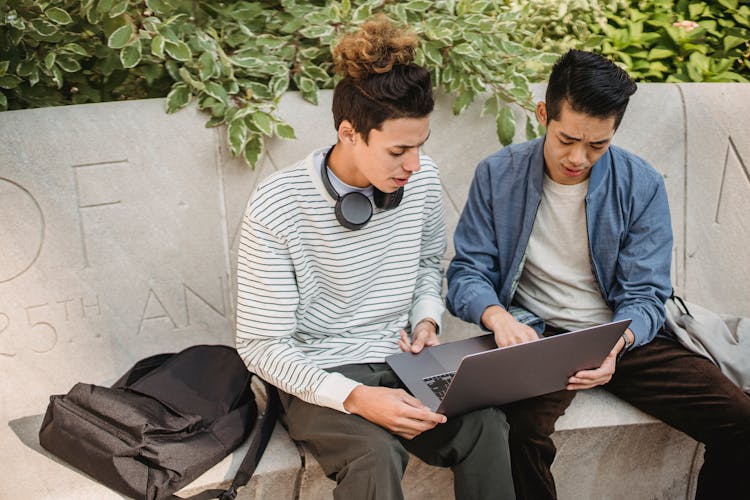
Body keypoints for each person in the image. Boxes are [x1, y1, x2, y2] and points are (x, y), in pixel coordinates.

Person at [446, 49, 750, 500]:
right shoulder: (498, 174)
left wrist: (616, 342)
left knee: (740, 422)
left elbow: (647, 293)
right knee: (516, 433)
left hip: (621, 332)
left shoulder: (641, 183)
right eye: (567, 139)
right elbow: (468, 271)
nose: (579, 157)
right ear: (543, 114)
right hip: (538, 335)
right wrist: (497, 317)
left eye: (597, 145)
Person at [235, 17, 515, 500]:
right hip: (317, 375)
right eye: (399, 150)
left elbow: (429, 264)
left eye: (421, 146)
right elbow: (261, 346)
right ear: (349, 133)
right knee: (376, 452)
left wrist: (426, 320)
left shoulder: (420, 179)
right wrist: (357, 398)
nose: (414, 164)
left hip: (402, 356)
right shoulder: (278, 203)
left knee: (487, 423)